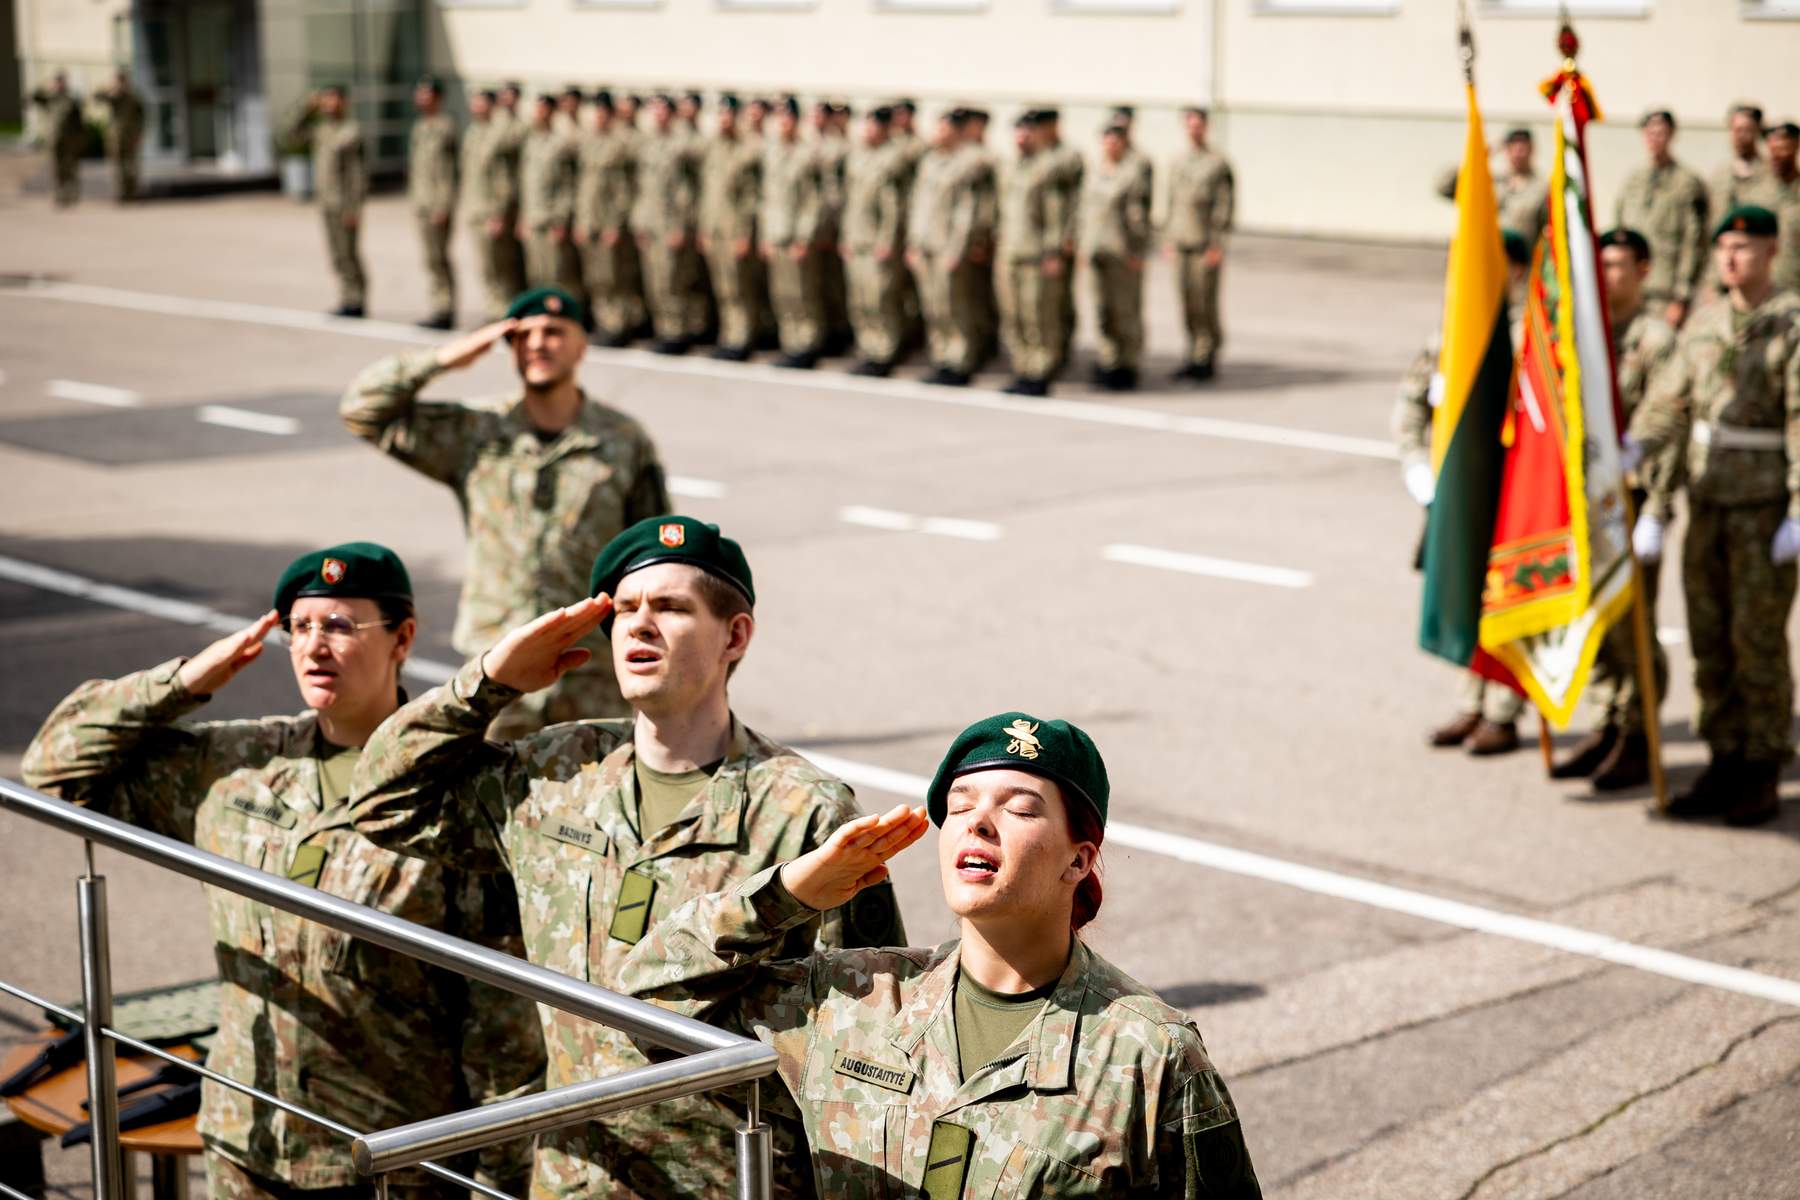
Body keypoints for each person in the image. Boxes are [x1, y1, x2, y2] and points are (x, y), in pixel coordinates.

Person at [350, 516, 907, 1200]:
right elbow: (382, 802)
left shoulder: (806, 810)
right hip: (572, 1177)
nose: (639, 624)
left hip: (729, 1182)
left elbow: (867, 1032)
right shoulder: (557, 771)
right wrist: (490, 680)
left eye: (670, 607)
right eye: (624, 609)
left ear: (734, 636)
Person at [21, 544, 544, 1200]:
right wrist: (183, 683)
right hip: (244, 1141)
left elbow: (500, 1031)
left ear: (403, 638)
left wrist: (497, 1183)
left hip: (385, 1160)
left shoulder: (453, 795)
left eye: (339, 626)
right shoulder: (242, 767)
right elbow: (54, 768)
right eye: (300, 627)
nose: (314, 646)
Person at [618, 712, 1263, 1198]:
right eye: (960, 807)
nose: (978, 822)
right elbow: (645, 1000)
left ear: (1078, 860)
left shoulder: (1148, 1054)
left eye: (1020, 809)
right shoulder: (852, 1001)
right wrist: (789, 892)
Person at [340, 287, 669, 737]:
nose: (537, 344)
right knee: (489, 780)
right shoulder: (479, 430)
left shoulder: (623, 439)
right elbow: (363, 411)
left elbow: (653, 558)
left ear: (581, 346)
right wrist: (445, 358)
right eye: (522, 335)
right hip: (497, 663)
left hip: (591, 665)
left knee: (599, 779)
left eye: (553, 332)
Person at [1627, 205, 1800, 826]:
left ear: (1772, 251)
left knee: (1757, 644)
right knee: (1709, 641)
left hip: (1762, 511)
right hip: (1707, 504)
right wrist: (1634, 449)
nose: (1730, 257)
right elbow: (1671, 402)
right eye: (1723, 246)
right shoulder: (1704, 324)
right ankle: (1723, 757)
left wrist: (1798, 511)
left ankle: (1762, 767)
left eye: (1743, 247)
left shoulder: (1791, 324)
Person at [1549, 229, 1677, 791]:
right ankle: (1607, 723)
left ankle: (1639, 733)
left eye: (1619, 264)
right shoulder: (1582, 332)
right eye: (1600, 264)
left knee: (1634, 624)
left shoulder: (1655, 339)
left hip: (1630, 499)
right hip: (1582, 500)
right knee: (1594, 616)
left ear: (1643, 270)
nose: (1607, 274)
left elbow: (1668, 425)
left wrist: (1658, 511)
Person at [1402, 230, 1534, 756]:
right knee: (1464, 592)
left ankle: (1503, 711)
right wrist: (1417, 465)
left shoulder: (1532, 336)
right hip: (1459, 488)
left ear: (1516, 270)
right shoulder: (1451, 334)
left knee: (1508, 594)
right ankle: (1470, 702)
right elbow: (1411, 403)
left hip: (1511, 492)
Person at [1614, 111, 1708, 329]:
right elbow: (1619, 232)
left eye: (1661, 133)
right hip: (1632, 288)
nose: (1655, 139)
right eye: (1650, 134)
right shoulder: (1633, 180)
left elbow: (1694, 243)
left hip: (1664, 293)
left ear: (1672, 135)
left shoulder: (1687, 183)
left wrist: (1682, 296)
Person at [1165, 106, 1235, 383]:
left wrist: (1217, 244)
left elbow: (1224, 207)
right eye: (1189, 125)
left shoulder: (1217, 163)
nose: (1193, 130)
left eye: (1198, 125)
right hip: (1181, 241)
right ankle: (1193, 352)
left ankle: (1207, 354)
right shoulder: (1178, 160)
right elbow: (1171, 203)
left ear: (1206, 127)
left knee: (1205, 301)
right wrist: (1169, 239)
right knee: (1187, 301)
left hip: (1204, 243)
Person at [1082, 120, 1153, 392]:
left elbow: (1138, 215)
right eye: (1106, 139)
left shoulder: (1132, 172)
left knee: (1126, 311)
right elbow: (1084, 211)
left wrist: (1137, 249)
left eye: (1115, 140)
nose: (1110, 145)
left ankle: (1128, 363)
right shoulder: (1095, 170)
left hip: (1121, 252)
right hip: (1096, 250)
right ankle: (1108, 359)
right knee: (1102, 310)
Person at [634, 94, 707, 355]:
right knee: (655, 280)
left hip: (671, 222)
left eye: (662, 110)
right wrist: (640, 221)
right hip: (651, 222)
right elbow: (643, 188)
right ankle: (664, 329)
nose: (658, 115)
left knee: (673, 280)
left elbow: (687, 191)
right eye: (654, 110)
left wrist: (681, 226)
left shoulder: (682, 143)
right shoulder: (648, 143)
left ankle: (679, 331)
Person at [909, 110, 978, 386]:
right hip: (925, 243)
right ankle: (941, 358)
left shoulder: (965, 163)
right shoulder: (930, 161)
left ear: (957, 132)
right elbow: (918, 205)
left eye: (944, 129)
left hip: (946, 247)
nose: (937, 134)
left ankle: (960, 360)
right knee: (933, 306)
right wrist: (913, 242)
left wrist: (956, 248)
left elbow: (965, 211)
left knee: (954, 307)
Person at [575, 89, 649, 346]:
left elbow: (622, 190)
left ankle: (619, 323)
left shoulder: (619, 144)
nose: (599, 118)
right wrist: (582, 220)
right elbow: (583, 187)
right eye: (596, 113)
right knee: (596, 276)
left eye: (603, 113)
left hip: (609, 221)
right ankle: (604, 320)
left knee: (615, 276)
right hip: (590, 220)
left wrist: (615, 224)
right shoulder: (589, 141)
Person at [841, 105, 908, 377]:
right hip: (856, 239)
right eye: (866, 124)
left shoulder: (892, 159)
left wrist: (887, 241)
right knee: (859, 300)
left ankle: (884, 351)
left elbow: (893, 207)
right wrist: (846, 236)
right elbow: (851, 202)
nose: (867, 130)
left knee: (879, 299)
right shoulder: (859, 156)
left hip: (876, 243)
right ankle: (867, 348)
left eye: (873, 125)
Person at [762, 95, 828, 370]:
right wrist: (765, 236)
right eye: (778, 117)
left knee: (803, 293)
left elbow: (813, 201)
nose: (782, 123)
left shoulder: (807, 154)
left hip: (796, 236)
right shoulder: (773, 152)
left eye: (786, 117)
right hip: (776, 233)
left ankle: (808, 343)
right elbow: (767, 199)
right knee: (783, 293)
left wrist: (804, 237)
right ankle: (791, 342)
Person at [289, 86, 367, 318]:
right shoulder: (321, 130)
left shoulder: (351, 132)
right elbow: (292, 134)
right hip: (326, 203)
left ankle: (356, 300)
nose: (328, 104)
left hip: (344, 204)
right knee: (337, 255)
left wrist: (353, 207)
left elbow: (357, 174)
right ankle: (347, 297)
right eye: (325, 99)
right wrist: (306, 109)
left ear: (343, 103)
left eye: (333, 99)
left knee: (348, 254)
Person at [698, 94, 764, 362]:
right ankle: (728, 335)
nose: (723, 120)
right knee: (722, 287)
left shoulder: (745, 151)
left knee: (739, 287)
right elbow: (707, 194)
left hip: (734, 230)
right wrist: (705, 228)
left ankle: (742, 337)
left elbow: (750, 199)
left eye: (728, 115)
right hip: (714, 228)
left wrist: (744, 234)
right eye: (720, 115)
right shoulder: (714, 149)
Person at [996, 112, 1058, 397]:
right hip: (1009, 251)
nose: (1022, 137)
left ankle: (1039, 371)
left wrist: (1053, 251)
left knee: (1037, 316)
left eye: (1028, 131)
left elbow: (1055, 214)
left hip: (1035, 253)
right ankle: (1021, 368)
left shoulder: (1046, 168)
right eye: (1018, 131)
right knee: (1014, 316)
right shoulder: (1009, 167)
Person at [462, 89, 524, 320]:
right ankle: (494, 309)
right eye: (474, 103)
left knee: (502, 266)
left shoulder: (498, 133)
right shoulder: (473, 132)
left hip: (491, 211)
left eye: (481, 103)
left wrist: (499, 213)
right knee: (486, 266)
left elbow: (502, 179)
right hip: (476, 210)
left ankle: (507, 312)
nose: (476, 107)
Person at [1034, 108, 1084, 375]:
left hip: (1060, 241)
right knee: (1041, 303)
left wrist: (1070, 236)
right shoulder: (1034, 156)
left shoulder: (1068, 156)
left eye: (1043, 125)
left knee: (1060, 300)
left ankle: (1061, 349)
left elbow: (1076, 201)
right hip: (1035, 242)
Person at [409, 76, 459, 330]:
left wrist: (444, 205)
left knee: (439, 258)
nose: (420, 98)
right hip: (423, 204)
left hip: (437, 206)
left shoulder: (445, 128)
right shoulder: (420, 127)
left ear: (437, 98)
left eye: (425, 94)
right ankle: (438, 305)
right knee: (430, 259)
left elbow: (449, 172)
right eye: (419, 93)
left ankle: (444, 308)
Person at [519, 93, 581, 295]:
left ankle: (560, 312)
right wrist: (523, 218)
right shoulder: (530, 143)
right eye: (536, 109)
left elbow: (567, 186)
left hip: (551, 219)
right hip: (533, 218)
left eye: (542, 109)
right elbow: (526, 184)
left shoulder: (560, 144)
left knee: (558, 275)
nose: (538, 114)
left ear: (552, 112)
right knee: (536, 274)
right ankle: (541, 311)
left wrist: (561, 220)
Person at [1754, 122, 1800, 293]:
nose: (1776, 155)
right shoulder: (1756, 193)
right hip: (1762, 290)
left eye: (1782, 149)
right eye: (1772, 149)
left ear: (1796, 147)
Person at [1707, 103, 1769, 225]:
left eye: (1747, 130)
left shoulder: (1771, 173)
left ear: (1758, 131)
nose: (1741, 136)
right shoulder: (1719, 175)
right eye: (1737, 130)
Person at [30, 72, 84, 208]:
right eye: (57, 81)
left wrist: (80, 140)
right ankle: (59, 194)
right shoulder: (49, 99)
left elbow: (79, 122)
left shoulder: (71, 100)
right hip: (53, 140)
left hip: (69, 141)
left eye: (61, 81)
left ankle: (71, 193)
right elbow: (33, 96)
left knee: (70, 167)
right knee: (56, 168)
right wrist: (46, 84)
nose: (59, 84)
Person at [98, 70, 144, 203]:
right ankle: (120, 194)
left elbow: (141, 118)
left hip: (130, 137)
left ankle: (132, 193)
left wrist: (139, 134)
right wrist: (110, 88)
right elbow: (97, 97)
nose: (121, 84)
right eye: (119, 81)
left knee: (131, 166)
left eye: (123, 81)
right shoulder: (113, 97)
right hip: (114, 139)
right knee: (117, 167)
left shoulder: (133, 98)